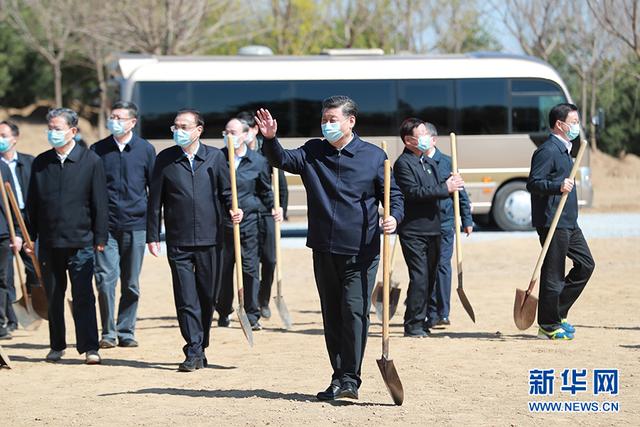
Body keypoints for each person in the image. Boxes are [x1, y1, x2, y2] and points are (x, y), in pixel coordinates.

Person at [255, 95, 404, 401]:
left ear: (351, 122)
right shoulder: (313, 151)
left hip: (362, 249)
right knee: (332, 314)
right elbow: (280, 159)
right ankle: (339, 377)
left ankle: (351, 377)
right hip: (324, 247)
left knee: (354, 311)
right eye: (324, 119)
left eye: (332, 119)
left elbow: (394, 196)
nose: (327, 124)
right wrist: (270, 139)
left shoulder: (374, 157)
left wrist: (393, 217)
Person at [147, 109, 243, 372]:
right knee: (185, 296)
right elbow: (155, 201)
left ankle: (201, 345)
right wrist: (152, 235)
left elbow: (227, 193)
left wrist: (235, 210)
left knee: (206, 295)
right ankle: (193, 348)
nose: (179, 130)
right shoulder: (165, 159)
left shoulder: (214, 158)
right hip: (178, 241)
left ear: (198, 129)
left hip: (211, 239)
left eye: (184, 126)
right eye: (175, 126)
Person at [25, 108, 108, 364]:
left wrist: (100, 238)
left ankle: (90, 347)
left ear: (73, 131)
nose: (52, 133)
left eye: (57, 128)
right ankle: (56, 345)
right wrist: (31, 238)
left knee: (83, 295)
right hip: (49, 242)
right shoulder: (40, 162)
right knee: (54, 297)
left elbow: (100, 203)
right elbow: (33, 204)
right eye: (50, 128)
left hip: (81, 242)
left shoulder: (91, 161)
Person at [526, 103, 595, 340]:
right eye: (574, 122)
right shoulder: (548, 150)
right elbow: (533, 183)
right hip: (552, 221)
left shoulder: (565, 149)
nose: (577, 126)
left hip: (568, 221)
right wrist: (557, 186)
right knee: (553, 274)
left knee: (586, 265)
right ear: (560, 124)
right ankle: (548, 324)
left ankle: (558, 311)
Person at [91, 101, 156, 349]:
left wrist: (152, 232)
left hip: (136, 225)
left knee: (131, 283)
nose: (114, 121)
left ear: (132, 122)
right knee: (105, 279)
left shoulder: (145, 150)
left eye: (119, 117)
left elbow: (154, 192)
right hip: (105, 228)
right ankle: (108, 332)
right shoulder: (98, 149)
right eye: (112, 116)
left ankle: (126, 330)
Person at [393, 118, 464, 337]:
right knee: (420, 277)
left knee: (431, 277)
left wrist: (453, 182)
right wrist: (445, 187)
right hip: (413, 230)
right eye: (421, 134)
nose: (426, 137)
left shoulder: (427, 161)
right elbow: (414, 192)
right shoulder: (403, 164)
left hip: (434, 228)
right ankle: (413, 324)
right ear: (408, 140)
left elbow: (438, 186)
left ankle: (424, 319)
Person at [216, 117, 281, 331]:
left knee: (250, 268)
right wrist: (228, 209)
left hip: (250, 223)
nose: (229, 136)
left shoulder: (258, 161)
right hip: (223, 223)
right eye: (226, 132)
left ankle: (252, 314)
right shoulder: (217, 159)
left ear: (245, 135)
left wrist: (274, 207)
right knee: (224, 270)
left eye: (234, 132)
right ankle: (224, 310)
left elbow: (264, 191)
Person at [235, 111, 287, 319]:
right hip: (246, 213)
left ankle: (264, 299)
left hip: (266, 212)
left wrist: (280, 206)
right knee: (249, 261)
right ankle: (251, 303)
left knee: (270, 259)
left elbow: (280, 185)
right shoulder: (234, 153)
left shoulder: (267, 151)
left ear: (255, 130)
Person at [423, 122, 473, 327]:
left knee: (443, 266)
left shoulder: (447, 162)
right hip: (423, 225)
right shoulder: (414, 162)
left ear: (433, 139)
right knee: (427, 268)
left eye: (424, 135)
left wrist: (467, 219)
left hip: (444, 223)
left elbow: (461, 194)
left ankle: (443, 313)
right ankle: (430, 312)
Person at [0, 120, 36, 334]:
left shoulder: (28, 162)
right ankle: (10, 318)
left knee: (33, 267)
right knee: (6, 274)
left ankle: (31, 304)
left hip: (28, 218)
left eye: (4, 135)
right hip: (7, 219)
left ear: (15, 138)